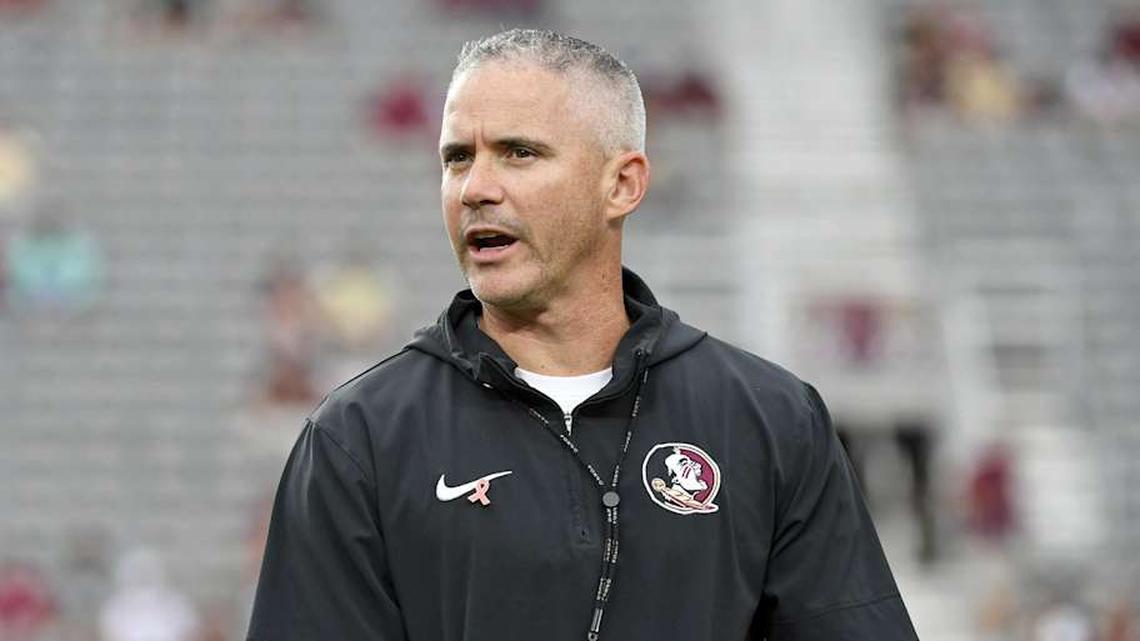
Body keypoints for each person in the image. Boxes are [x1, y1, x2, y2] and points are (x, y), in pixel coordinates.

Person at [247, 28, 918, 641]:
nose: (476, 187)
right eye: (457, 158)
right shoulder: (357, 438)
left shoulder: (770, 420)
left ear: (622, 183)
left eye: (518, 152)